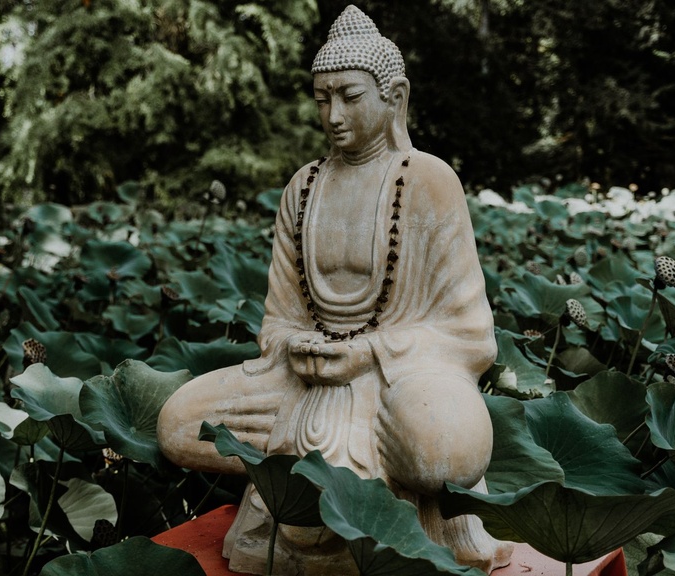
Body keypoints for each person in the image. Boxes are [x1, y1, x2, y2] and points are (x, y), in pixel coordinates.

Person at [157, 5, 512, 573]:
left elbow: (470, 334)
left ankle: (372, 501)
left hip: (402, 378)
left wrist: (369, 353)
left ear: (394, 97)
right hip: (303, 379)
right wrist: (295, 346)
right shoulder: (303, 187)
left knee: (445, 454)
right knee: (177, 425)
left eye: (349, 96)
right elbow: (279, 319)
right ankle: (311, 478)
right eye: (322, 99)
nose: (334, 115)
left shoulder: (429, 181)